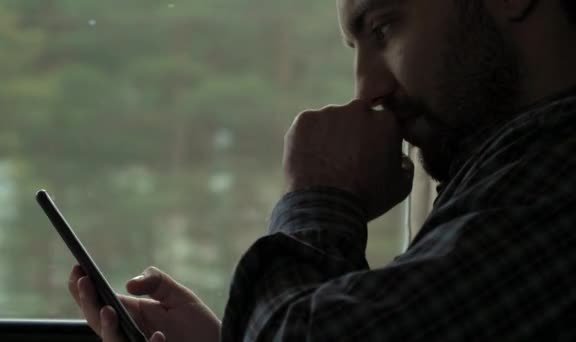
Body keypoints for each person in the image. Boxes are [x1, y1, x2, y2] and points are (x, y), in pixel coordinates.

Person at [68, 0, 576, 340]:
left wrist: (319, 196)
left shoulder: (552, 184)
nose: (366, 89)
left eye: (383, 27)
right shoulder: (511, 180)